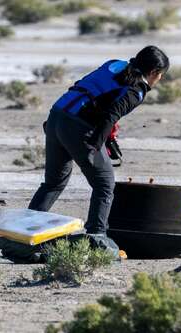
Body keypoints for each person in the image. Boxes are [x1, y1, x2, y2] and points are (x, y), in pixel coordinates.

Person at [28, 45, 169, 246]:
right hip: (77, 127)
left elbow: (88, 90)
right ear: (154, 72)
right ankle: (96, 237)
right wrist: (95, 145)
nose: (160, 79)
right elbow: (111, 114)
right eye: (161, 75)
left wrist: (107, 137)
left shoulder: (114, 64)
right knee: (104, 183)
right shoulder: (136, 90)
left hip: (57, 116)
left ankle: (25, 230)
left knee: (54, 183)